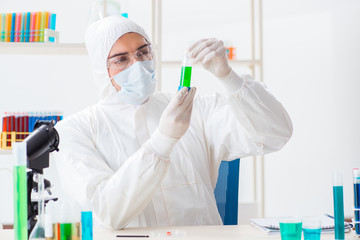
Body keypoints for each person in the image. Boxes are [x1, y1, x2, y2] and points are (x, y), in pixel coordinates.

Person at [52, 16, 293, 229]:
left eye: (143, 52)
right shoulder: (74, 132)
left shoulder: (190, 107)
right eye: (121, 59)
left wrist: (228, 76)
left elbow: (275, 133)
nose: (137, 65)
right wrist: (162, 141)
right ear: (100, 70)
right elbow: (108, 212)